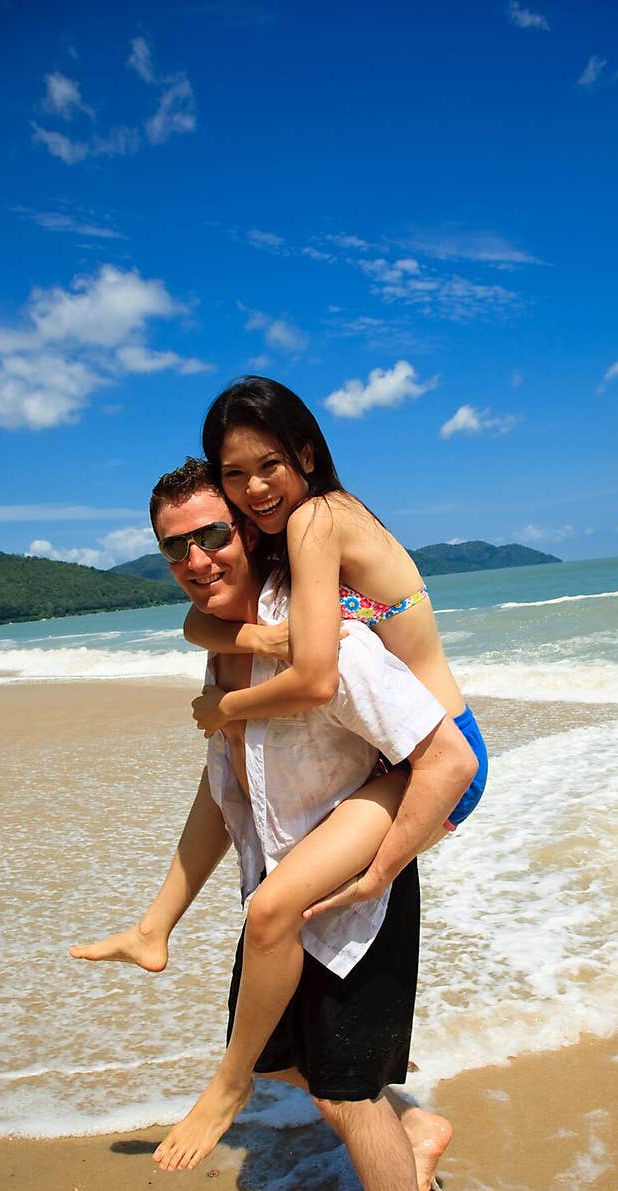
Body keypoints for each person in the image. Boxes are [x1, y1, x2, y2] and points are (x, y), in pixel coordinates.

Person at [71, 461, 476, 1191]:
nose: (197, 559)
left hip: (360, 886)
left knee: (347, 1090)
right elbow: (225, 795)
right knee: (283, 1064)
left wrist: (382, 871)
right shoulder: (225, 654)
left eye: (213, 535)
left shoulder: (333, 641)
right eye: (175, 547)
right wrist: (160, 919)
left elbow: (449, 761)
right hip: (283, 891)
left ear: (249, 533)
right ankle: (419, 1133)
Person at [185, 375, 488, 922]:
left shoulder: (314, 520)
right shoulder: (316, 520)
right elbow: (198, 619)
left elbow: (315, 679)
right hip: (403, 754)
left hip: (433, 763)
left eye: (269, 465)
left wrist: (225, 709)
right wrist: (258, 637)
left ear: (305, 453)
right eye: (234, 474)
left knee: (295, 919)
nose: (254, 488)